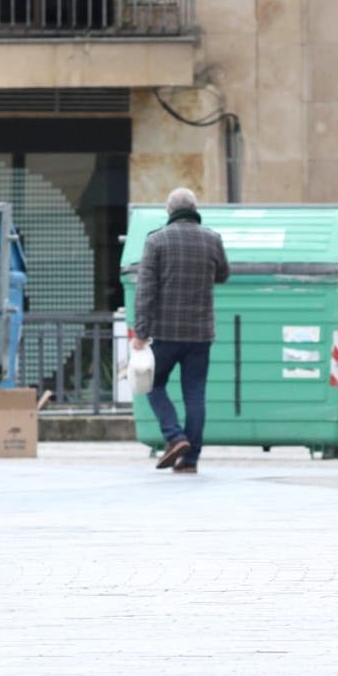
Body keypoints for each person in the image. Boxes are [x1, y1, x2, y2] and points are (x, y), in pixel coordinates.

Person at [131, 187, 229, 475]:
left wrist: (141, 331)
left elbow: (145, 290)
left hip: (165, 332)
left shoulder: (156, 241)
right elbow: (223, 274)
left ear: (169, 211)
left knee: (152, 385)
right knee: (195, 394)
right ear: (194, 208)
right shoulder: (212, 239)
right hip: (200, 334)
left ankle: (175, 437)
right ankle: (190, 460)